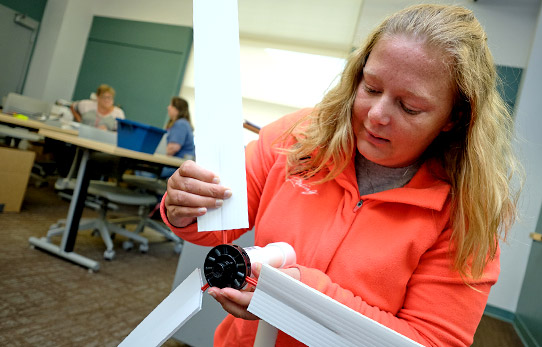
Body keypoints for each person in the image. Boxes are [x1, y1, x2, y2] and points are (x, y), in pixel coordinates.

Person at [162, 4, 522, 347]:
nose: (376, 115)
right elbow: (213, 227)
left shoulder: (463, 217)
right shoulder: (297, 137)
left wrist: (302, 297)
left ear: (454, 118)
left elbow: (429, 341)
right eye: (371, 88)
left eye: (409, 107)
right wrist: (184, 205)